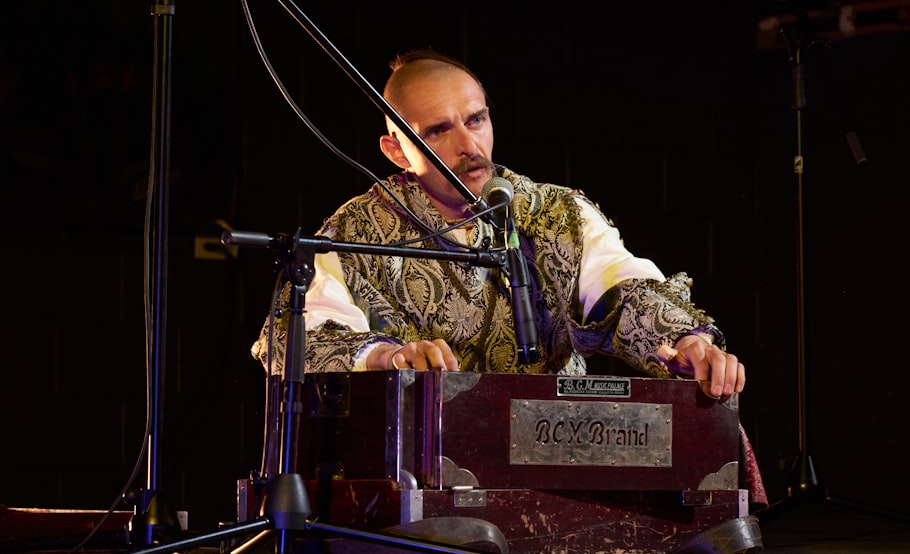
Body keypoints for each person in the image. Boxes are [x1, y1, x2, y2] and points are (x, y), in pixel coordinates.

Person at [251, 48, 766, 507]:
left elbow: (625, 289)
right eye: (437, 131)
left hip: (565, 468)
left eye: (475, 120)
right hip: (424, 481)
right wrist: (388, 358)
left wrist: (687, 340)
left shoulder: (558, 214)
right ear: (395, 150)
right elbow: (291, 339)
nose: (467, 145)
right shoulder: (355, 230)